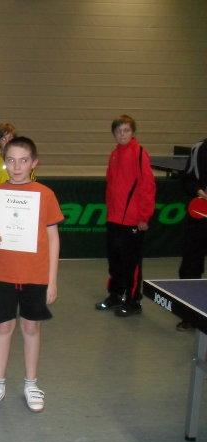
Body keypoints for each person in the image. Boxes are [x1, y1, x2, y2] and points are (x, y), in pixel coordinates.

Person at [0, 136, 63, 413]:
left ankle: (31, 384)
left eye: (23, 160)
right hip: (3, 273)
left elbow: (53, 238)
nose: (16, 167)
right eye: (11, 161)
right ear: (4, 163)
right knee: (3, 327)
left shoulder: (45, 194)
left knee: (31, 328)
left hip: (35, 275)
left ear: (33, 163)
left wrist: (52, 280)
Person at [94, 115, 156, 317]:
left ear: (133, 132)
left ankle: (133, 301)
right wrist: (110, 212)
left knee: (131, 263)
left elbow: (147, 186)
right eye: (118, 131)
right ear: (114, 134)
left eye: (126, 130)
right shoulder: (114, 154)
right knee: (115, 261)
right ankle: (115, 295)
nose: (122, 134)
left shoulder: (140, 153)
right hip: (114, 219)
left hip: (133, 220)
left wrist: (144, 216)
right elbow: (111, 186)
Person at [176, 138, 207, 331]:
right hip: (199, 217)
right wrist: (198, 190)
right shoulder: (198, 149)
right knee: (190, 266)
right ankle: (189, 315)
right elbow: (186, 179)